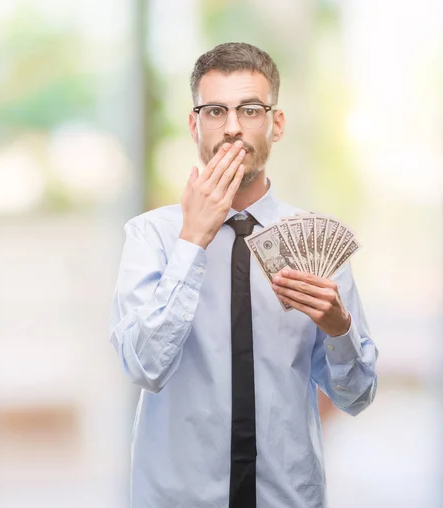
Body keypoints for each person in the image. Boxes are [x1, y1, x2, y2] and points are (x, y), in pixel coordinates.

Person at [108, 42, 378, 508]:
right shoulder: (150, 236)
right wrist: (192, 241)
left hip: (288, 497)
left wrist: (340, 329)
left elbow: (357, 397)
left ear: (276, 124)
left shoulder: (313, 240)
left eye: (250, 109)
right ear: (195, 124)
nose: (232, 128)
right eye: (215, 111)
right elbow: (144, 367)